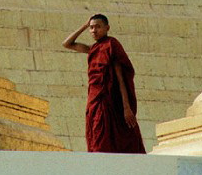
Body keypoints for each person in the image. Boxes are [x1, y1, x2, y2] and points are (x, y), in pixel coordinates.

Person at [62, 14, 146, 153]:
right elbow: (67, 44)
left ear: (107, 28)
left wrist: (126, 107)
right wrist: (84, 25)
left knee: (108, 138)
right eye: (91, 28)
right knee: (96, 136)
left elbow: (120, 79)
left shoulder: (111, 45)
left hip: (110, 101)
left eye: (98, 27)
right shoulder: (92, 49)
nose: (94, 31)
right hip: (95, 100)